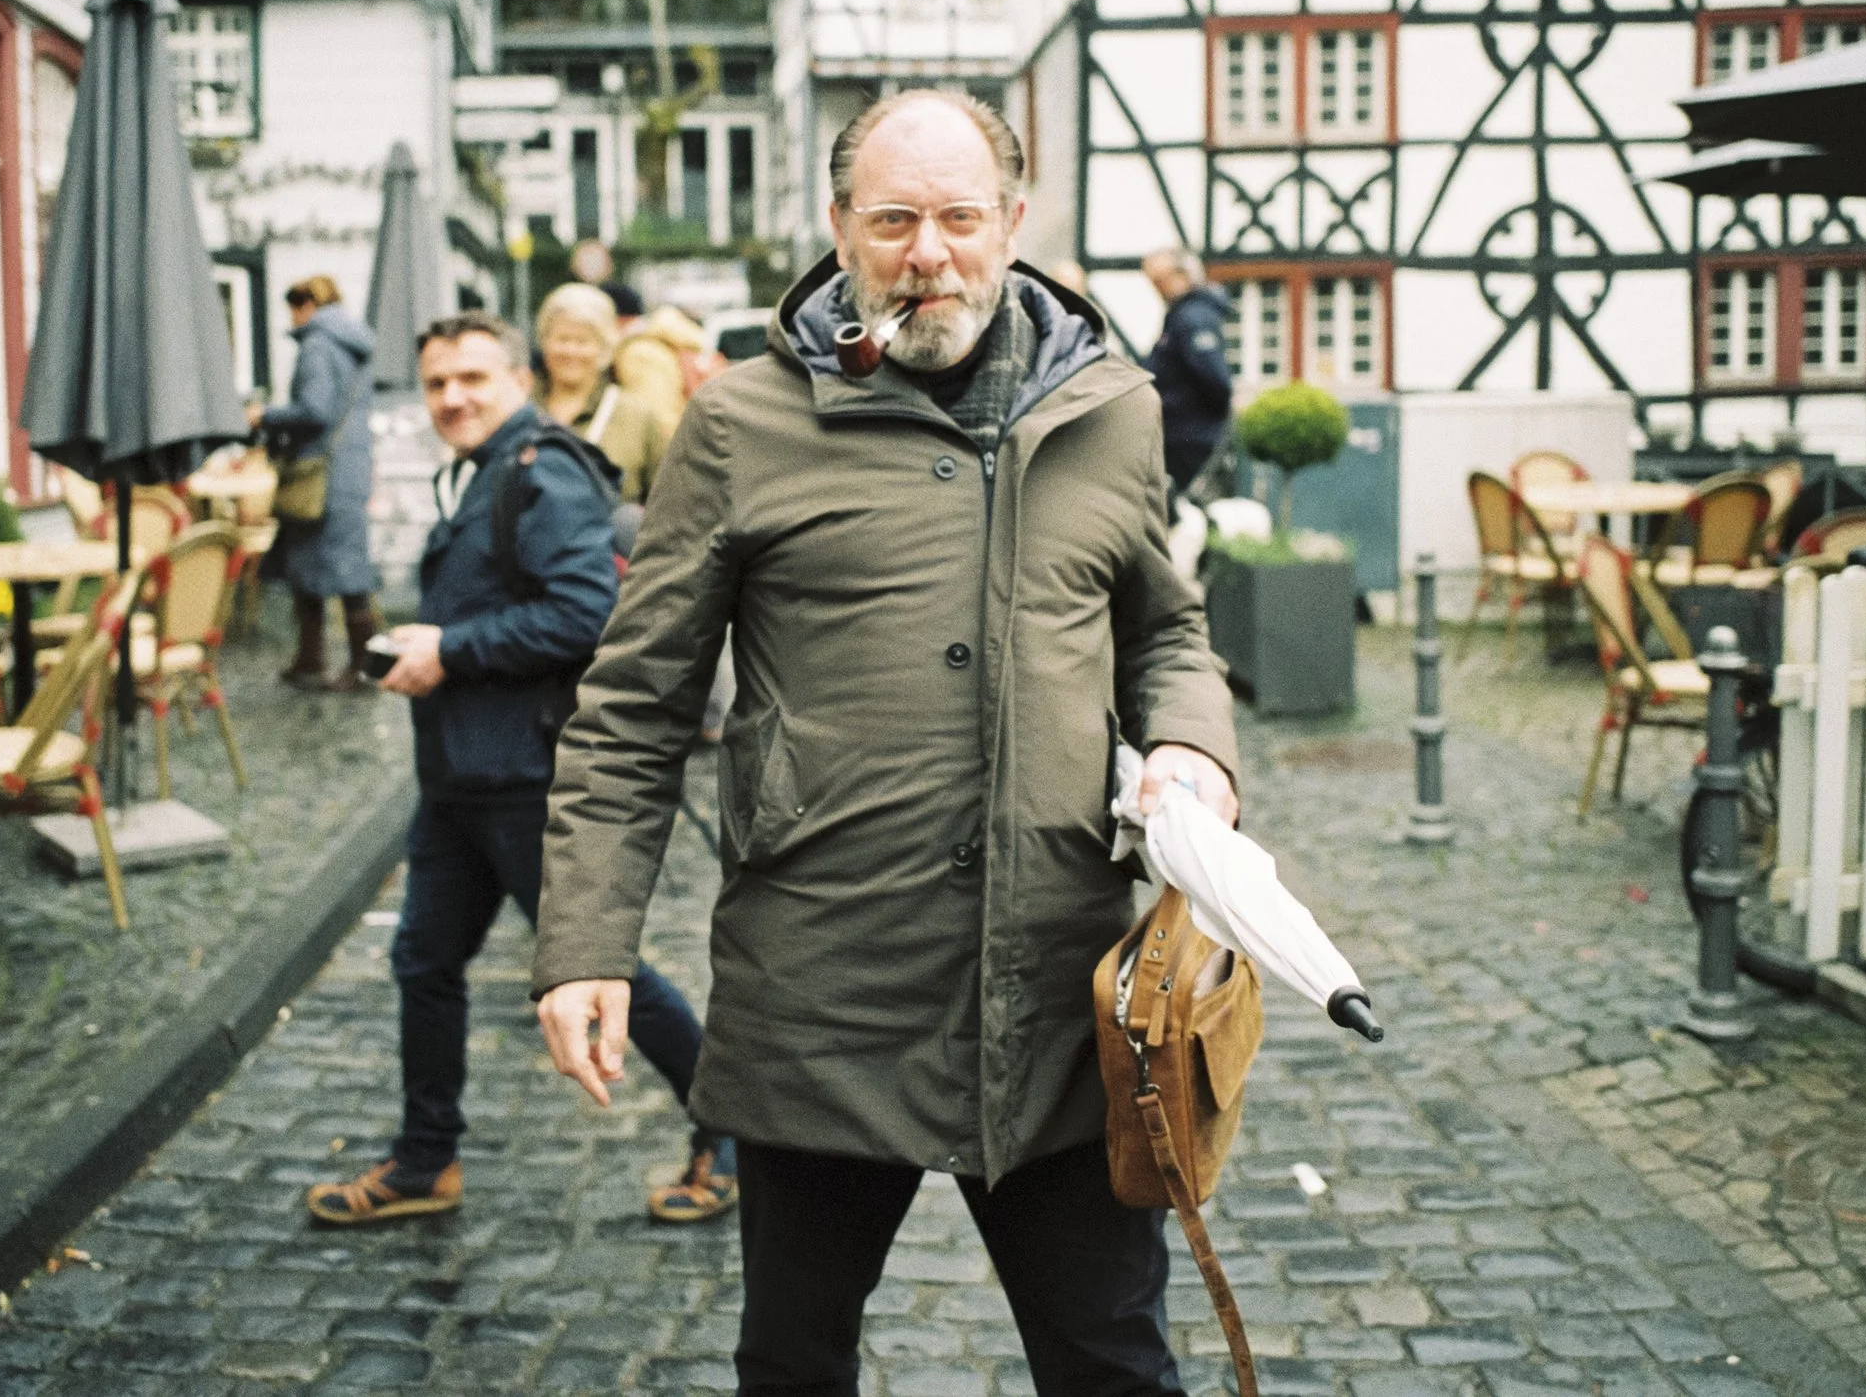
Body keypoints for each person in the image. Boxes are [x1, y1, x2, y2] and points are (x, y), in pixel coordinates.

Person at [531, 89, 1239, 1394]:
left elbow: (1167, 634)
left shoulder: (1113, 410)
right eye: (895, 219)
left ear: (1011, 223)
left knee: (1114, 1368)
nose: (929, 254)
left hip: (1061, 1003)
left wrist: (1191, 744)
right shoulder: (741, 424)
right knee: (793, 1366)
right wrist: (583, 942)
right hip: (820, 1001)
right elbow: (632, 707)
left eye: (960, 218)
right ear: (841, 227)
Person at [305, 312, 736, 1228]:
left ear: (519, 379)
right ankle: (426, 1161)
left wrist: (449, 650)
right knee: (424, 962)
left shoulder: (544, 473)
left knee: (594, 968)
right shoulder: (485, 469)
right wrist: (432, 646)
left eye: (473, 378)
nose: (452, 397)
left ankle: (731, 1131)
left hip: (525, 781)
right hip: (459, 778)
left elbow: (587, 611)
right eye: (436, 383)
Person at [255, 275, 380, 690]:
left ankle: (359, 667)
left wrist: (264, 416)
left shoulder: (318, 343)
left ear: (306, 304)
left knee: (334, 571)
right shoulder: (352, 342)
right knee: (329, 566)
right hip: (348, 469)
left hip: (320, 474)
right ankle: (319, 659)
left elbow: (314, 409)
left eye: (292, 308)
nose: (291, 318)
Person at [535, 282, 669, 503]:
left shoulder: (637, 417)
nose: (570, 351)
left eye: (582, 341)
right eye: (562, 339)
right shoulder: (517, 408)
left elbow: (666, 501)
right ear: (544, 342)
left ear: (605, 347)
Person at [1140, 246, 1233, 492]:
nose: (1157, 289)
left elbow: (1216, 382)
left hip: (1191, 439)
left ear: (1181, 276)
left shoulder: (1192, 318)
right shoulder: (1180, 315)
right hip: (1182, 435)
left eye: (1159, 280)